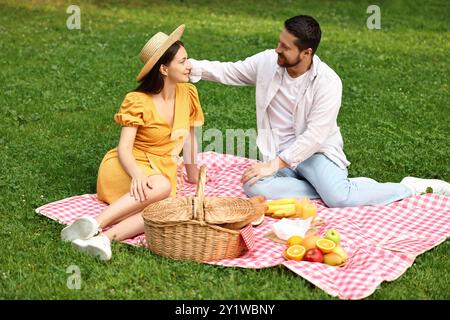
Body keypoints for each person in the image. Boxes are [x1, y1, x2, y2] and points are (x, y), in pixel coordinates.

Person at [188, 15, 450, 207]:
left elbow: (314, 136)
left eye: (286, 47)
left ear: (306, 52)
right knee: (252, 185)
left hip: (315, 154)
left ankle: (408, 187)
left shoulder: (328, 82)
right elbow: (229, 71)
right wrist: (189, 67)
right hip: (278, 152)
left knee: (339, 199)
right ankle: (327, 187)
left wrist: (274, 167)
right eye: (279, 42)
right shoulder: (268, 62)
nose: (278, 50)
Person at [61, 25, 205, 261]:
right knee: (161, 188)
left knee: (162, 210)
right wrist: (138, 175)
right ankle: (94, 224)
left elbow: (189, 137)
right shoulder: (138, 101)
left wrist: (191, 174)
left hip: (161, 172)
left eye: (187, 59)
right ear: (164, 69)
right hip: (126, 165)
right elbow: (124, 148)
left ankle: (104, 240)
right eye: (183, 61)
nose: (189, 65)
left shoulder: (187, 93)